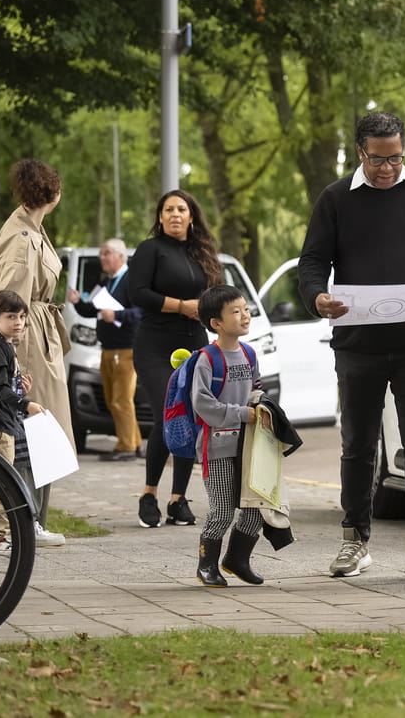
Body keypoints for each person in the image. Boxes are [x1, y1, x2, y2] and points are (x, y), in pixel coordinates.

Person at [298, 110, 405, 580]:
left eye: (396, 158)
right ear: (360, 152)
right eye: (378, 159)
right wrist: (318, 298)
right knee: (358, 445)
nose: (388, 168)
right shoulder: (335, 199)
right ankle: (355, 540)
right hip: (358, 345)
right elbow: (311, 265)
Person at [0, 158, 71, 549]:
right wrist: (12, 359)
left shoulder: (30, 228)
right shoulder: (23, 237)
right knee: (28, 432)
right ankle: (25, 521)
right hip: (29, 339)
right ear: (51, 193)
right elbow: (10, 307)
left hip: (37, 334)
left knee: (35, 432)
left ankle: (27, 519)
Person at [127, 190, 223, 529]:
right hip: (155, 346)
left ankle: (178, 499)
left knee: (192, 417)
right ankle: (149, 493)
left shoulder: (204, 254)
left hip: (194, 343)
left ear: (192, 216)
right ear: (160, 217)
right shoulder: (150, 249)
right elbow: (135, 292)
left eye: (181, 209)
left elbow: (216, 294)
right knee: (167, 417)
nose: (175, 214)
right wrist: (181, 306)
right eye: (168, 209)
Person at [190, 285, 270, 588]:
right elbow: (202, 403)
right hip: (219, 447)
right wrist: (242, 413)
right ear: (217, 323)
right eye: (235, 312)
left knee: (255, 509)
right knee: (223, 509)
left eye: (246, 309)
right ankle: (206, 565)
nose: (245, 316)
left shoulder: (249, 354)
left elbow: (257, 388)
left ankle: (237, 559)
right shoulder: (207, 359)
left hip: (250, 447)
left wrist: (264, 407)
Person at [0, 290, 46, 553]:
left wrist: (20, 390)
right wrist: (27, 404)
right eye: (11, 316)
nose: (18, 322)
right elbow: (1, 391)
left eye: (22, 316)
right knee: (0, 482)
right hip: (0, 426)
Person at [66, 239, 143, 461]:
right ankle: (134, 443)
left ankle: (126, 446)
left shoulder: (131, 281)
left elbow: (141, 312)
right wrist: (79, 302)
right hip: (108, 348)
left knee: (121, 399)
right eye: (101, 253)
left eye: (106, 253)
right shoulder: (107, 283)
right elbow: (93, 310)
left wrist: (117, 315)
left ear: (120, 256)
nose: (102, 258)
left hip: (126, 349)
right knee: (111, 399)